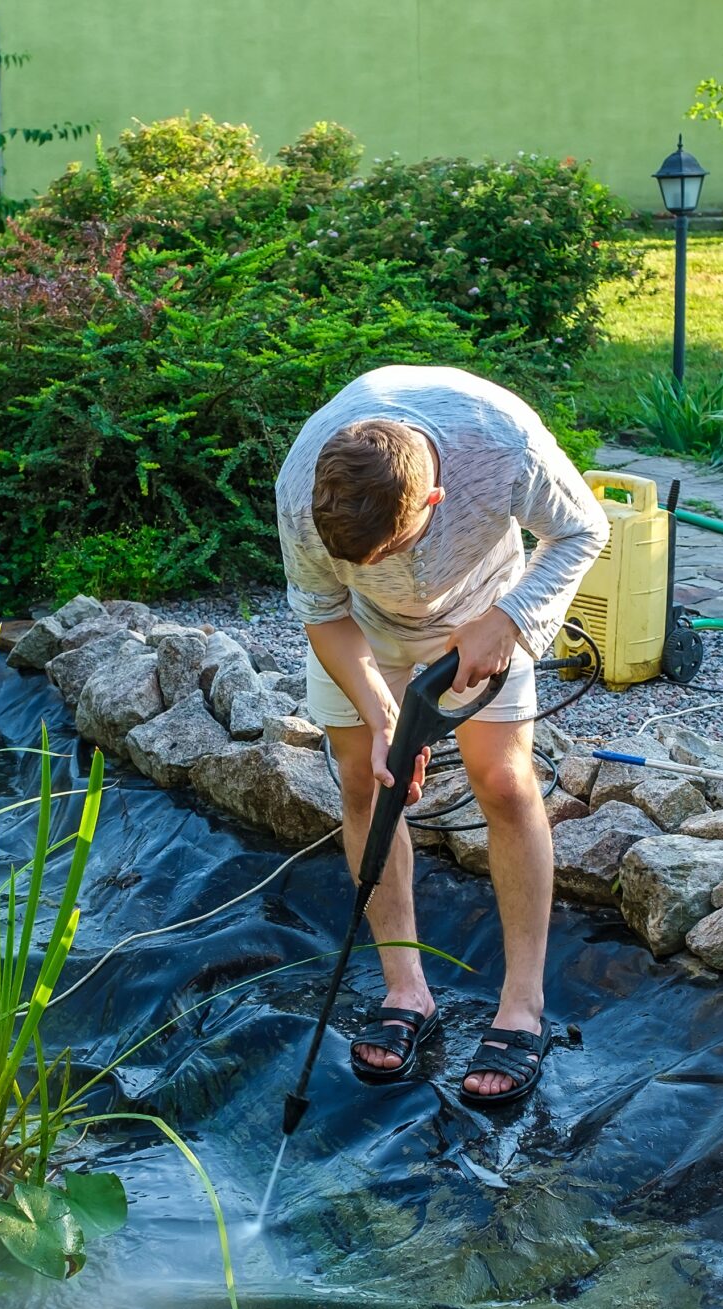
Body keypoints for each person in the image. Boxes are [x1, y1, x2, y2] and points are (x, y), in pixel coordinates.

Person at [277, 364, 609, 1108]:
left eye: (388, 551)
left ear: (435, 499)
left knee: (504, 782)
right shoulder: (304, 488)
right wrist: (380, 711)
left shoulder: (503, 444)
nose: (378, 568)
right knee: (366, 780)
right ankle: (406, 991)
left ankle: (522, 1007)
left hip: (482, 613)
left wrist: (510, 619)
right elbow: (323, 610)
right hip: (360, 630)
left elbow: (584, 529)